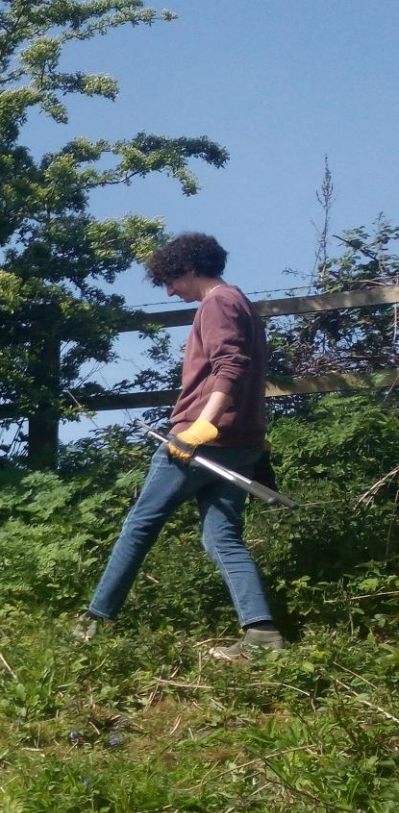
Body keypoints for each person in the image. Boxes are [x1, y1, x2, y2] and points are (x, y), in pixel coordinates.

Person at [78, 233, 284, 656]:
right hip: (241, 441)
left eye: (172, 281)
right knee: (222, 538)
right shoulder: (242, 303)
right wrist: (253, 433)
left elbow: (231, 365)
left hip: (201, 438)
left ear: (190, 269)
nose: (171, 291)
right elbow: (251, 371)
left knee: (140, 525)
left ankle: (92, 623)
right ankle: (263, 635)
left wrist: (201, 427)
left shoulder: (217, 303)